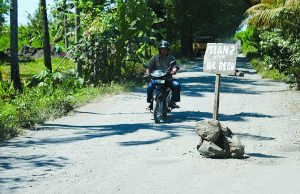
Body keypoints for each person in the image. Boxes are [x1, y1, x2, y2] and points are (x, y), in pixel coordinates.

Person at [145, 40, 181, 110]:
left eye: (165, 49)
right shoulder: (155, 58)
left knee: (176, 85)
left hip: (167, 78)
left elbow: (174, 66)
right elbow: (149, 66)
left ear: (168, 50)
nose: (163, 51)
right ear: (159, 50)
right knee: (149, 87)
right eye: (162, 49)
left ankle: (172, 101)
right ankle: (151, 102)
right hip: (156, 78)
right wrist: (147, 72)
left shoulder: (171, 58)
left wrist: (174, 71)